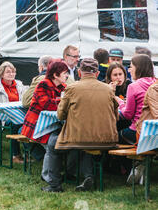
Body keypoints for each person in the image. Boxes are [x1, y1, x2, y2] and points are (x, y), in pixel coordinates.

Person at [52, 58, 119, 192]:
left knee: (52, 144)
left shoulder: (71, 88)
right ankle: (85, 175)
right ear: (97, 73)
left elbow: (60, 115)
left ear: (79, 72)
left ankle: (54, 184)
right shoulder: (108, 89)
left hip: (79, 139)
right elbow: (116, 116)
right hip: (108, 139)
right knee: (85, 143)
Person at [21, 60, 68, 191]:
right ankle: (48, 176)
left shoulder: (62, 86)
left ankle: (51, 175)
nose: (67, 75)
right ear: (56, 74)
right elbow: (47, 104)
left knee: (53, 145)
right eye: (64, 73)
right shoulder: (43, 84)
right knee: (50, 146)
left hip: (51, 123)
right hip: (36, 124)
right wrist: (62, 101)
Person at [0, 61, 27, 163]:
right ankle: (16, 155)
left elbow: (24, 100)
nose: (11, 74)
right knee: (17, 124)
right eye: (8, 72)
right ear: (2, 74)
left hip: (20, 113)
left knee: (27, 123)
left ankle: (28, 152)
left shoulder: (19, 84)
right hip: (3, 116)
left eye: (13, 72)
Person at [117, 54, 156, 145]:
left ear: (138, 68)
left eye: (131, 67)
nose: (129, 70)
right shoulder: (156, 83)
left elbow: (127, 114)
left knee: (112, 138)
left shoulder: (133, 86)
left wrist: (121, 103)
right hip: (154, 133)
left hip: (138, 132)